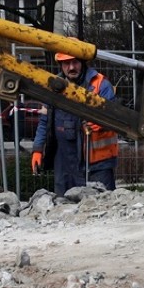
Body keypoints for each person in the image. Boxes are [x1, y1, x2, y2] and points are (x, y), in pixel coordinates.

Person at [31, 40, 118, 194]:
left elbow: (117, 118)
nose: (71, 67)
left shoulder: (100, 85)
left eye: (75, 62)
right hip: (64, 164)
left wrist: (104, 122)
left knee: (102, 207)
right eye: (66, 63)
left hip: (96, 164)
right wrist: (38, 149)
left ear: (83, 61)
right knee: (64, 209)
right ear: (60, 64)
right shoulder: (53, 87)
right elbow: (45, 122)